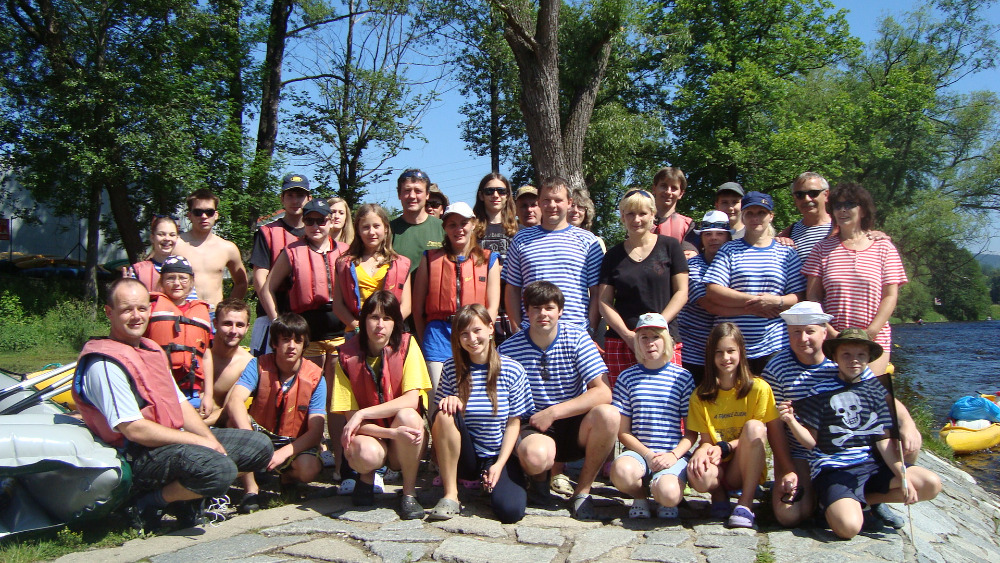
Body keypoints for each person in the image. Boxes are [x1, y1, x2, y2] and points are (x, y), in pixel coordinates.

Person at [71, 278, 272, 533]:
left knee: (259, 446)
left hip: (171, 443)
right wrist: (201, 443)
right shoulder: (105, 364)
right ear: (109, 312)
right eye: (126, 310)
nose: (136, 316)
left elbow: (179, 404)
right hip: (137, 456)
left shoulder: (150, 350)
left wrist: (209, 438)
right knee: (218, 468)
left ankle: (183, 499)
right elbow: (133, 429)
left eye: (142, 309)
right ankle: (147, 502)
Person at [763, 301, 921, 529]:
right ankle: (830, 500)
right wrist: (787, 467)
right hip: (802, 449)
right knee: (791, 516)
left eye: (810, 331)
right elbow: (775, 424)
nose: (803, 338)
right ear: (787, 332)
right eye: (795, 332)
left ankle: (868, 499)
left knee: (910, 446)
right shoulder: (776, 368)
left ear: (824, 332)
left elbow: (882, 398)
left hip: (852, 448)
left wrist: (908, 424)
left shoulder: (845, 358)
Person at [778, 328, 941, 539]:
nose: (854, 360)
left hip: (871, 465)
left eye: (860, 355)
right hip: (834, 470)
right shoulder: (818, 391)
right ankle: (830, 503)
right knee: (849, 528)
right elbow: (812, 443)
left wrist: (902, 475)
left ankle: (866, 501)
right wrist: (791, 421)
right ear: (835, 357)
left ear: (868, 359)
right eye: (846, 354)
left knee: (930, 485)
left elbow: (883, 440)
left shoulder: (874, 389)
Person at [498, 281, 618, 520]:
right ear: (527, 311)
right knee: (536, 455)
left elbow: (603, 392)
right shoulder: (509, 349)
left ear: (560, 311)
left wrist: (554, 412)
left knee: (609, 415)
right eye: (535, 308)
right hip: (532, 425)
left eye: (549, 308)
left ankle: (582, 492)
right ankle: (538, 484)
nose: (543, 314)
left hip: (572, 421)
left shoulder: (577, 338)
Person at [331, 290, 432, 519]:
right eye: (374, 317)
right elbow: (351, 422)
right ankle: (366, 477)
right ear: (364, 320)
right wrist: (390, 432)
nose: (380, 325)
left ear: (395, 322)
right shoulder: (346, 357)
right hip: (372, 436)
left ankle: (408, 493)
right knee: (365, 451)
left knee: (409, 416)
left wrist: (363, 414)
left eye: (387, 318)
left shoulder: (408, 346)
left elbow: (411, 400)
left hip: (403, 439)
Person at [429, 304, 534, 523]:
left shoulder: (513, 369)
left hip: (497, 453)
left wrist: (499, 465)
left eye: (477, 330)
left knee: (511, 511)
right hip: (465, 454)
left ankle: (495, 479)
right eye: (464, 334)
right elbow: (438, 424)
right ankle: (451, 495)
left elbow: (514, 424)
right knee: (444, 414)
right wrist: (448, 401)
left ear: (490, 328)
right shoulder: (451, 368)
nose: (472, 339)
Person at [803, 182, 907, 379]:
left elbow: (890, 296)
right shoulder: (821, 249)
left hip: (874, 340)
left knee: (869, 396)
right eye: (837, 206)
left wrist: (872, 331)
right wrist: (830, 331)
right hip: (834, 340)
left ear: (863, 210)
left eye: (849, 205)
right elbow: (813, 297)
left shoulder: (884, 248)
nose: (843, 210)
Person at [226, 313, 327, 513]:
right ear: (274, 343)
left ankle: (287, 477)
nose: (292, 346)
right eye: (285, 339)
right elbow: (235, 399)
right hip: (259, 433)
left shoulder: (316, 377)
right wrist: (249, 438)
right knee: (234, 421)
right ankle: (251, 488)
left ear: (304, 344)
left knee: (309, 469)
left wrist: (282, 454)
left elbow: (315, 432)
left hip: (293, 440)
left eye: (298, 341)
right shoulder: (257, 365)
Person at [686, 322, 780, 529]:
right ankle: (718, 495)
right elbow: (706, 440)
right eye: (719, 352)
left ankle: (745, 504)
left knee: (755, 427)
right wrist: (702, 451)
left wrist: (726, 446)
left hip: (743, 464)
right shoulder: (700, 395)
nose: (725, 358)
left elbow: (759, 434)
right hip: (718, 467)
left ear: (741, 352)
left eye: (731, 351)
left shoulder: (759, 388)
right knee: (697, 474)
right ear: (711, 356)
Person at [703, 191, 806, 374]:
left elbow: (799, 297)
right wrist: (755, 303)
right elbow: (713, 290)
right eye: (750, 213)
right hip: (731, 347)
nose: (755, 218)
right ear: (743, 215)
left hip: (773, 345)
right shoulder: (729, 249)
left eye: (761, 213)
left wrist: (776, 302)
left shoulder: (787, 253)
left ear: (771, 216)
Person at [413, 202, 500, 408]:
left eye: (463, 223)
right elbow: (417, 308)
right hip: (438, 335)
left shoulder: (489, 259)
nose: (458, 229)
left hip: (474, 334)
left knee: (472, 399)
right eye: (452, 224)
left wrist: (484, 337)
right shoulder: (430, 258)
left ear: (473, 225)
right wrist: (425, 337)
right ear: (444, 228)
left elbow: (493, 307)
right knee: (439, 400)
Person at [609, 313, 696, 520]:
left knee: (668, 494)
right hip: (640, 453)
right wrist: (648, 454)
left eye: (655, 337)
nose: (650, 343)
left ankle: (662, 491)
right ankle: (640, 497)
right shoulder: (627, 377)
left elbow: (692, 433)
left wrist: (673, 455)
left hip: (671, 453)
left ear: (665, 340)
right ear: (637, 342)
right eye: (644, 337)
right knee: (620, 472)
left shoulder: (682, 377)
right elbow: (623, 432)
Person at [598, 189, 688, 388]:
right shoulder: (612, 256)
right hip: (622, 341)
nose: (636, 219)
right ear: (622, 217)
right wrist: (629, 335)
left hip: (665, 338)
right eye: (630, 213)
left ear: (653, 215)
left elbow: (682, 292)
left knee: (668, 401)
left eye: (642, 213)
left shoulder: (671, 247)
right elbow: (604, 302)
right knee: (623, 405)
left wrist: (657, 327)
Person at [503, 177, 604, 332]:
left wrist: (590, 328)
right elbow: (512, 289)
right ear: (539, 202)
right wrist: (517, 329)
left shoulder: (589, 241)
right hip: (531, 332)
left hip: (576, 332)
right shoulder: (520, 239)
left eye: (558, 200)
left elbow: (597, 291)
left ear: (569, 202)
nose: (552, 205)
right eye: (546, 200)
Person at [674, 210, 743, 384]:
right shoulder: (692, 266)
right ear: (702, 238)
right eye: (708, 234)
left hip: (725, 351)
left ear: (728, 237)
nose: (714, 238)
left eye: (719, 234)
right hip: (693, 349)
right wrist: (755, 307)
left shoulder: (737, 261)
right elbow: (709, 304)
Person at [248, 173, 312, 356]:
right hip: (272, 315)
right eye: (290, 195)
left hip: (304, 317)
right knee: (265, 373)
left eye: (300, 195)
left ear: (309, 198)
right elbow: (260, 279)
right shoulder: (267, 232)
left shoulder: (316, 233)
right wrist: (276, 319)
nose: (295, 200)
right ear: (282, 199)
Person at [145, 256, 214, 417]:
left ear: (191, 282)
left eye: (182, 278)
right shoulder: (151, 308)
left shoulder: (201, 313)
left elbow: (206, 357)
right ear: (161, 282)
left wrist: (208, 395)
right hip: (157, 388)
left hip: (191, 391)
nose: (177, 283)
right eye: (170, 278)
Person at [333, 203, 412, 330]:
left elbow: (406, 306)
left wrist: (387, 327)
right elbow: (338, 305)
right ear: (358, 230)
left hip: (389, 333)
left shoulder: (400, 263)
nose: (371, 232)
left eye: (376, 226)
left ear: (386, 228)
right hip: (356, 332)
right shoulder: (344, 263)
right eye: (365, 227)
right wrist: (359, 328)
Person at [178, 188, 248, 309]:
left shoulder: (227, 248)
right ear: (189, 215)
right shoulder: (176, 244)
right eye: (198, 212)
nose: (204, 216)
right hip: (184, 314)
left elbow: (241, 282)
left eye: (209, 212)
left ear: (216, 215)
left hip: (214, 315)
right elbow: (151, 272)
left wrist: (228, 309)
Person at [203, 298, 253, 427]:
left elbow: (230, 409)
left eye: (240, 325)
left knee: (242, 419)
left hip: (215, 423)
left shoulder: (247, 364)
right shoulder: (199, 353)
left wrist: (193, 425)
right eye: (227, 324)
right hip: (184, 416)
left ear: (247, 327)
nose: (233, 331)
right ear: (215, 323)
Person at [389, 168, 444, 276]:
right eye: (407, 190)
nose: (412, 196)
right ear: (399, 194)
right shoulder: (388, 231)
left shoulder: (443, 228)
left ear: (427, 194)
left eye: (418, 191)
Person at [126, 216, 195, 297]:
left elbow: (191, 302)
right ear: (152, 238)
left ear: (177, 238)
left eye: (172, 235)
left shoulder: (184, 269)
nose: (167, 238)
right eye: (161, 234)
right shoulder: (137, 271)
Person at [777, 172, 833, 262]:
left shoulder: (843, 228)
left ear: (826, 195)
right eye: (800, 195)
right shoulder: (787, 236)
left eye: (813, 193)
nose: (807, 199)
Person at [649, 167, 694, 243]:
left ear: (681, 194)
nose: (668, 192)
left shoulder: (688, 225)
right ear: (654, 189)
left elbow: (690, 253)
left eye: (674, 188)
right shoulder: (639, 220)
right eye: (663, 186)